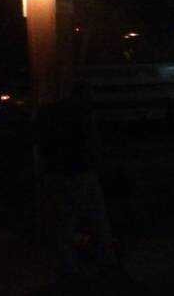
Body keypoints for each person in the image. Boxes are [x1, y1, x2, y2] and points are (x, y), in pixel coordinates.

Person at [36, 81, 118, 279]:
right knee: (95, 216)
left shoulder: (50, 113)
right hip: (80, 172)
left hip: (58, 173)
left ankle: (70, 264)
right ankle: (104, 259)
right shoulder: (83, 115)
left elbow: (41, 143)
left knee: (66, 220)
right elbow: (92, 144)